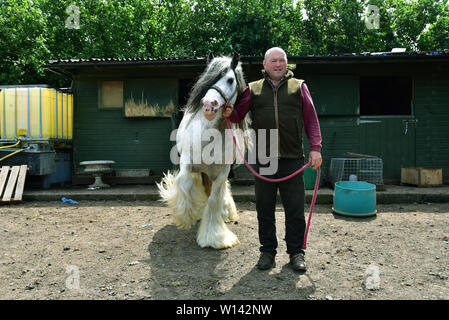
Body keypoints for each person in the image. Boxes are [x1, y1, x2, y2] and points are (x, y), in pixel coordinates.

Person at [223, 47, 322, 271]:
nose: (278, 65)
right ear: (264, 65)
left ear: (287, 64)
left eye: (282, 61)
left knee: (294, 209)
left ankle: (296, 252)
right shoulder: (253, 89)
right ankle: (267, 251)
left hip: (293, 158)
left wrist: (315, 148)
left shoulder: (299, 87)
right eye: (273, 61)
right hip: (264, 159)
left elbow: (311, 120)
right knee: (264, 208)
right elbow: (239, 114)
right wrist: (230, 112)